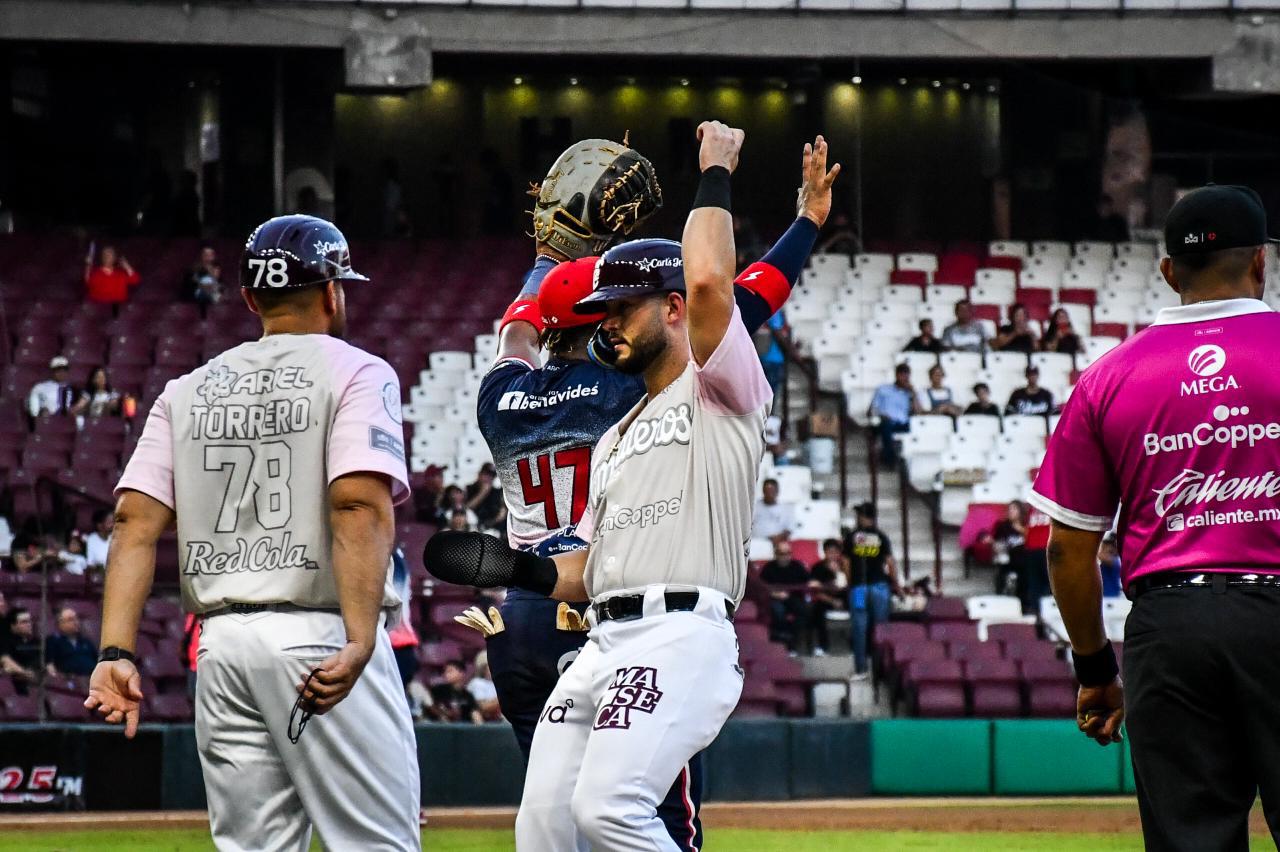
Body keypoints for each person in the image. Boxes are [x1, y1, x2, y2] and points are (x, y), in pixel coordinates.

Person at [426, 121, 838, 850]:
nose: (607, 323)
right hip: (595, 629)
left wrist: (715, 173)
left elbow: (703, 289)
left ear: (672, 310)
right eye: (598, 312)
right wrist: (806, 223)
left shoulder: (714, 387)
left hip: (665, 630)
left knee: (612, 812)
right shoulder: (614, 424)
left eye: (620, 309)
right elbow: (597, 562)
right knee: (546, 828)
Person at [85, 215, 420, 850]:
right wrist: (358, 637)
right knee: (376, 843)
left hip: (222, 647)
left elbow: (132, 521)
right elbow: (357, 505)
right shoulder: (357, 370)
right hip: (319, 634)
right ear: (331, 291)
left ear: (249, 298)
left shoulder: (185, 390)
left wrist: (114, 653)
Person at [1032, 185, 1280, 851]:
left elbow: (1067, 551)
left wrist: (1094, 671)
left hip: (1169, 630)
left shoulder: (1107, 378)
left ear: (1168, 270)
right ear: (1262, 262)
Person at [845, 501, 898, 679]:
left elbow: (846, 563)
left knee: (860, 627)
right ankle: (881, 669)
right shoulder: (881, 537)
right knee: (881, 628)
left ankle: (861, 669)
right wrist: (896, 584)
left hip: (859, 588)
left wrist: (850, 583)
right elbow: (890, 563)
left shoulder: (852, 536)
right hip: (879, 587)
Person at [760, 540, 812, 654]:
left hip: (794, 598)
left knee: (804, 611)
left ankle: (793, 644)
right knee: (778, 612)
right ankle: (782, 645)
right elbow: (761, 588)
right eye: (781, 553)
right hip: (774, 598)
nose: (785, 556)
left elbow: (808, 581)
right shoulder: (768, 568)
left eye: (787, 553)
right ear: (776, 554)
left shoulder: (797, 566)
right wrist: (775, 594)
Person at [870, 364, 918, 465]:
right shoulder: (883, 389)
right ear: (897, 375)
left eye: (907, 375)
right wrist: (882, 415)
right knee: (886, 426)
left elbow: (916, 411)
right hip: (886, 421)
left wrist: (913, 394)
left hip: (903, 423)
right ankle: (890, 459)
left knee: (920, 426)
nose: (905, 378)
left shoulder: (909, 393)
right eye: (902, 375)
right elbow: (873, 409)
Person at [808, 538, 849, 655]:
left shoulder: (845, 565)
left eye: (835, 552)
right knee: (817, 610)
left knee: (860, 605)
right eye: (830, 552)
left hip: (844, 598)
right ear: (825, 552)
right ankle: (822, 646)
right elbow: (815, 591)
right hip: (826, 600)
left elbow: (849, 584)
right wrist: (832, 601)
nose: (833, 555)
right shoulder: (817, 567)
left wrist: (838, 572)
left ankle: (858, 646)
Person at [45, 607, 97, 677]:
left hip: (92, 680)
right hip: (69, 682)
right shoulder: (53, 641)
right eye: (71, 620)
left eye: (76, 618)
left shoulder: (86, 641)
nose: (76, 622)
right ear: (60, 624)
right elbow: (50, 665)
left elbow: (97, 661)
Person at [991, 501, 1028, 598]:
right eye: (1009, 509)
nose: (1011, 511)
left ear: (1021, 511)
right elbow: (996, 541)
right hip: (1007, 559)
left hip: (1024, 560)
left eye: (1014, 509)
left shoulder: (1027, 526)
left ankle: (1024, 602)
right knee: (1001, 570)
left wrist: (1022, 530)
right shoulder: (1003, 526)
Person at [3, 607, 40, 692]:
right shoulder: (6, 644)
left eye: (30, 621)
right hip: (20, 689)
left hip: (41, 685)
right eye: (24, 622)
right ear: (13, 626)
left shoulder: (37, 642)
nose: (29, 624)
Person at [752, 478, 796, 546]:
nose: (769, 493)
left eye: (772, 491)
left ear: (777, 491)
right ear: (763, 491)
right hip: (756, 544)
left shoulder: (785, 509)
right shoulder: (754, 507)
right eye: (767, 491)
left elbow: (789, 529)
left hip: (777, 545)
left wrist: (778, 538)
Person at [464, 463, 507, 532]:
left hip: (493, 528)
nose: (489, 478)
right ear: (479, 474)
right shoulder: (469, 489)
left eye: (492, 476)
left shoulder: (497, 492)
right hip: (473, 528)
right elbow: (466, 509)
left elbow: (501, 514)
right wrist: (483, 493)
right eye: (486, 474)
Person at [467, 651, 501, 721]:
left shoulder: (499, 683)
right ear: (483, 668)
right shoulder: (477, 682)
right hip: (481, 720)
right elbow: (483, 707)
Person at [1098, 533, 1122, 598]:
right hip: (1104, 596)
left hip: (1111, 597)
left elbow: (1101, 556)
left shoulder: (1115, 560)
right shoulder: (1108, 561)